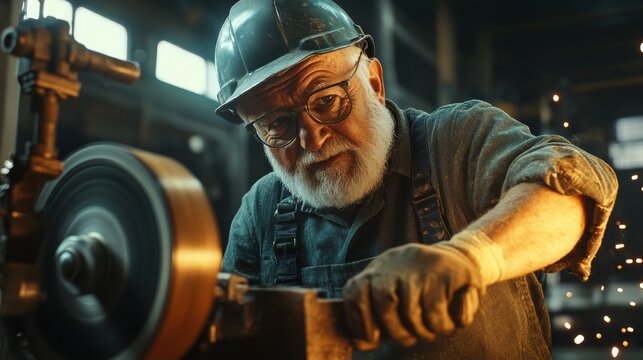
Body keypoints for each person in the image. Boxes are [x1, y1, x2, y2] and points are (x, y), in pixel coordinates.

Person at [214, 0, 618, 358]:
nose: (312, 137)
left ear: (373, 82)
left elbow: (575, 188)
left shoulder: (456, 142)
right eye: (276, 124)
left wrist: (470, 257)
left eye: (327, 100)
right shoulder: (260, 215)